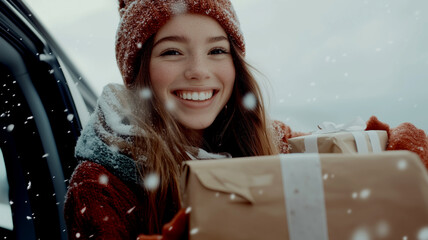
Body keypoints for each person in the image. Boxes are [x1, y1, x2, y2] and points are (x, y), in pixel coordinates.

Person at [64, 0, 428, 239]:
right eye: (172, 51)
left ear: (235, 65)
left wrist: (401, 147)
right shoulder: (101, 187)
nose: (198, 70)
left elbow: (363, 155)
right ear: (139, 73)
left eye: (217, 50)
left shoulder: (268, 140)